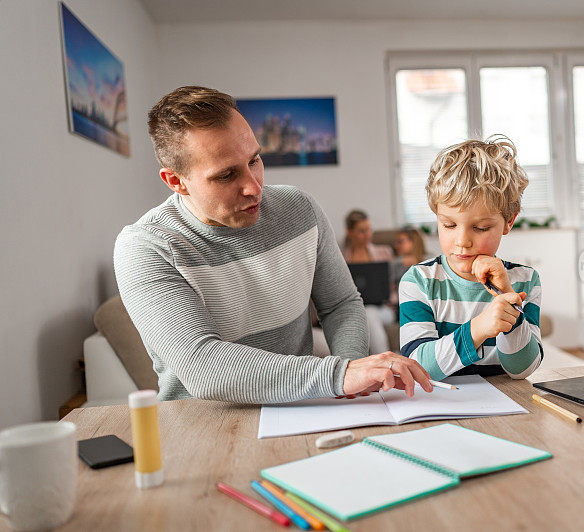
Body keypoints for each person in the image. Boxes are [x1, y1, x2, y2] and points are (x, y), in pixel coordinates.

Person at [114, 86, 432, 404]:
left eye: (254, 160)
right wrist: (339, 375)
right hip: (207, 425)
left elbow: (341, 304)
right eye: (226, 175)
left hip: (301, 409)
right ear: (175, 181)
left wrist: (354, 379)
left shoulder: (300, 209)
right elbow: (204, 367)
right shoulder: (145, 247)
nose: (254, 188)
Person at [398, 137, 543, 380]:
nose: (462, 241)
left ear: (509, 221)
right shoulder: (418, 281)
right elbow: (418, 367)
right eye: (449, 224)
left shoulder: (525, 281)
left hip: (508, 408)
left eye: (482, 228)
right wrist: (478, 329)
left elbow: (522, 370)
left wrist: (509, 300)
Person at [341, 209, 395, 353]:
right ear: (349, 232)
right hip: (354, 311)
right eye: (361, 231)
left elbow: (393, 285)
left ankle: (384, 358)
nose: (368, 235)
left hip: (383, 309)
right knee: (364, 314)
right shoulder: (340, 258)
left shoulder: (384, 252)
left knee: (369, 313)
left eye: (369, 229)